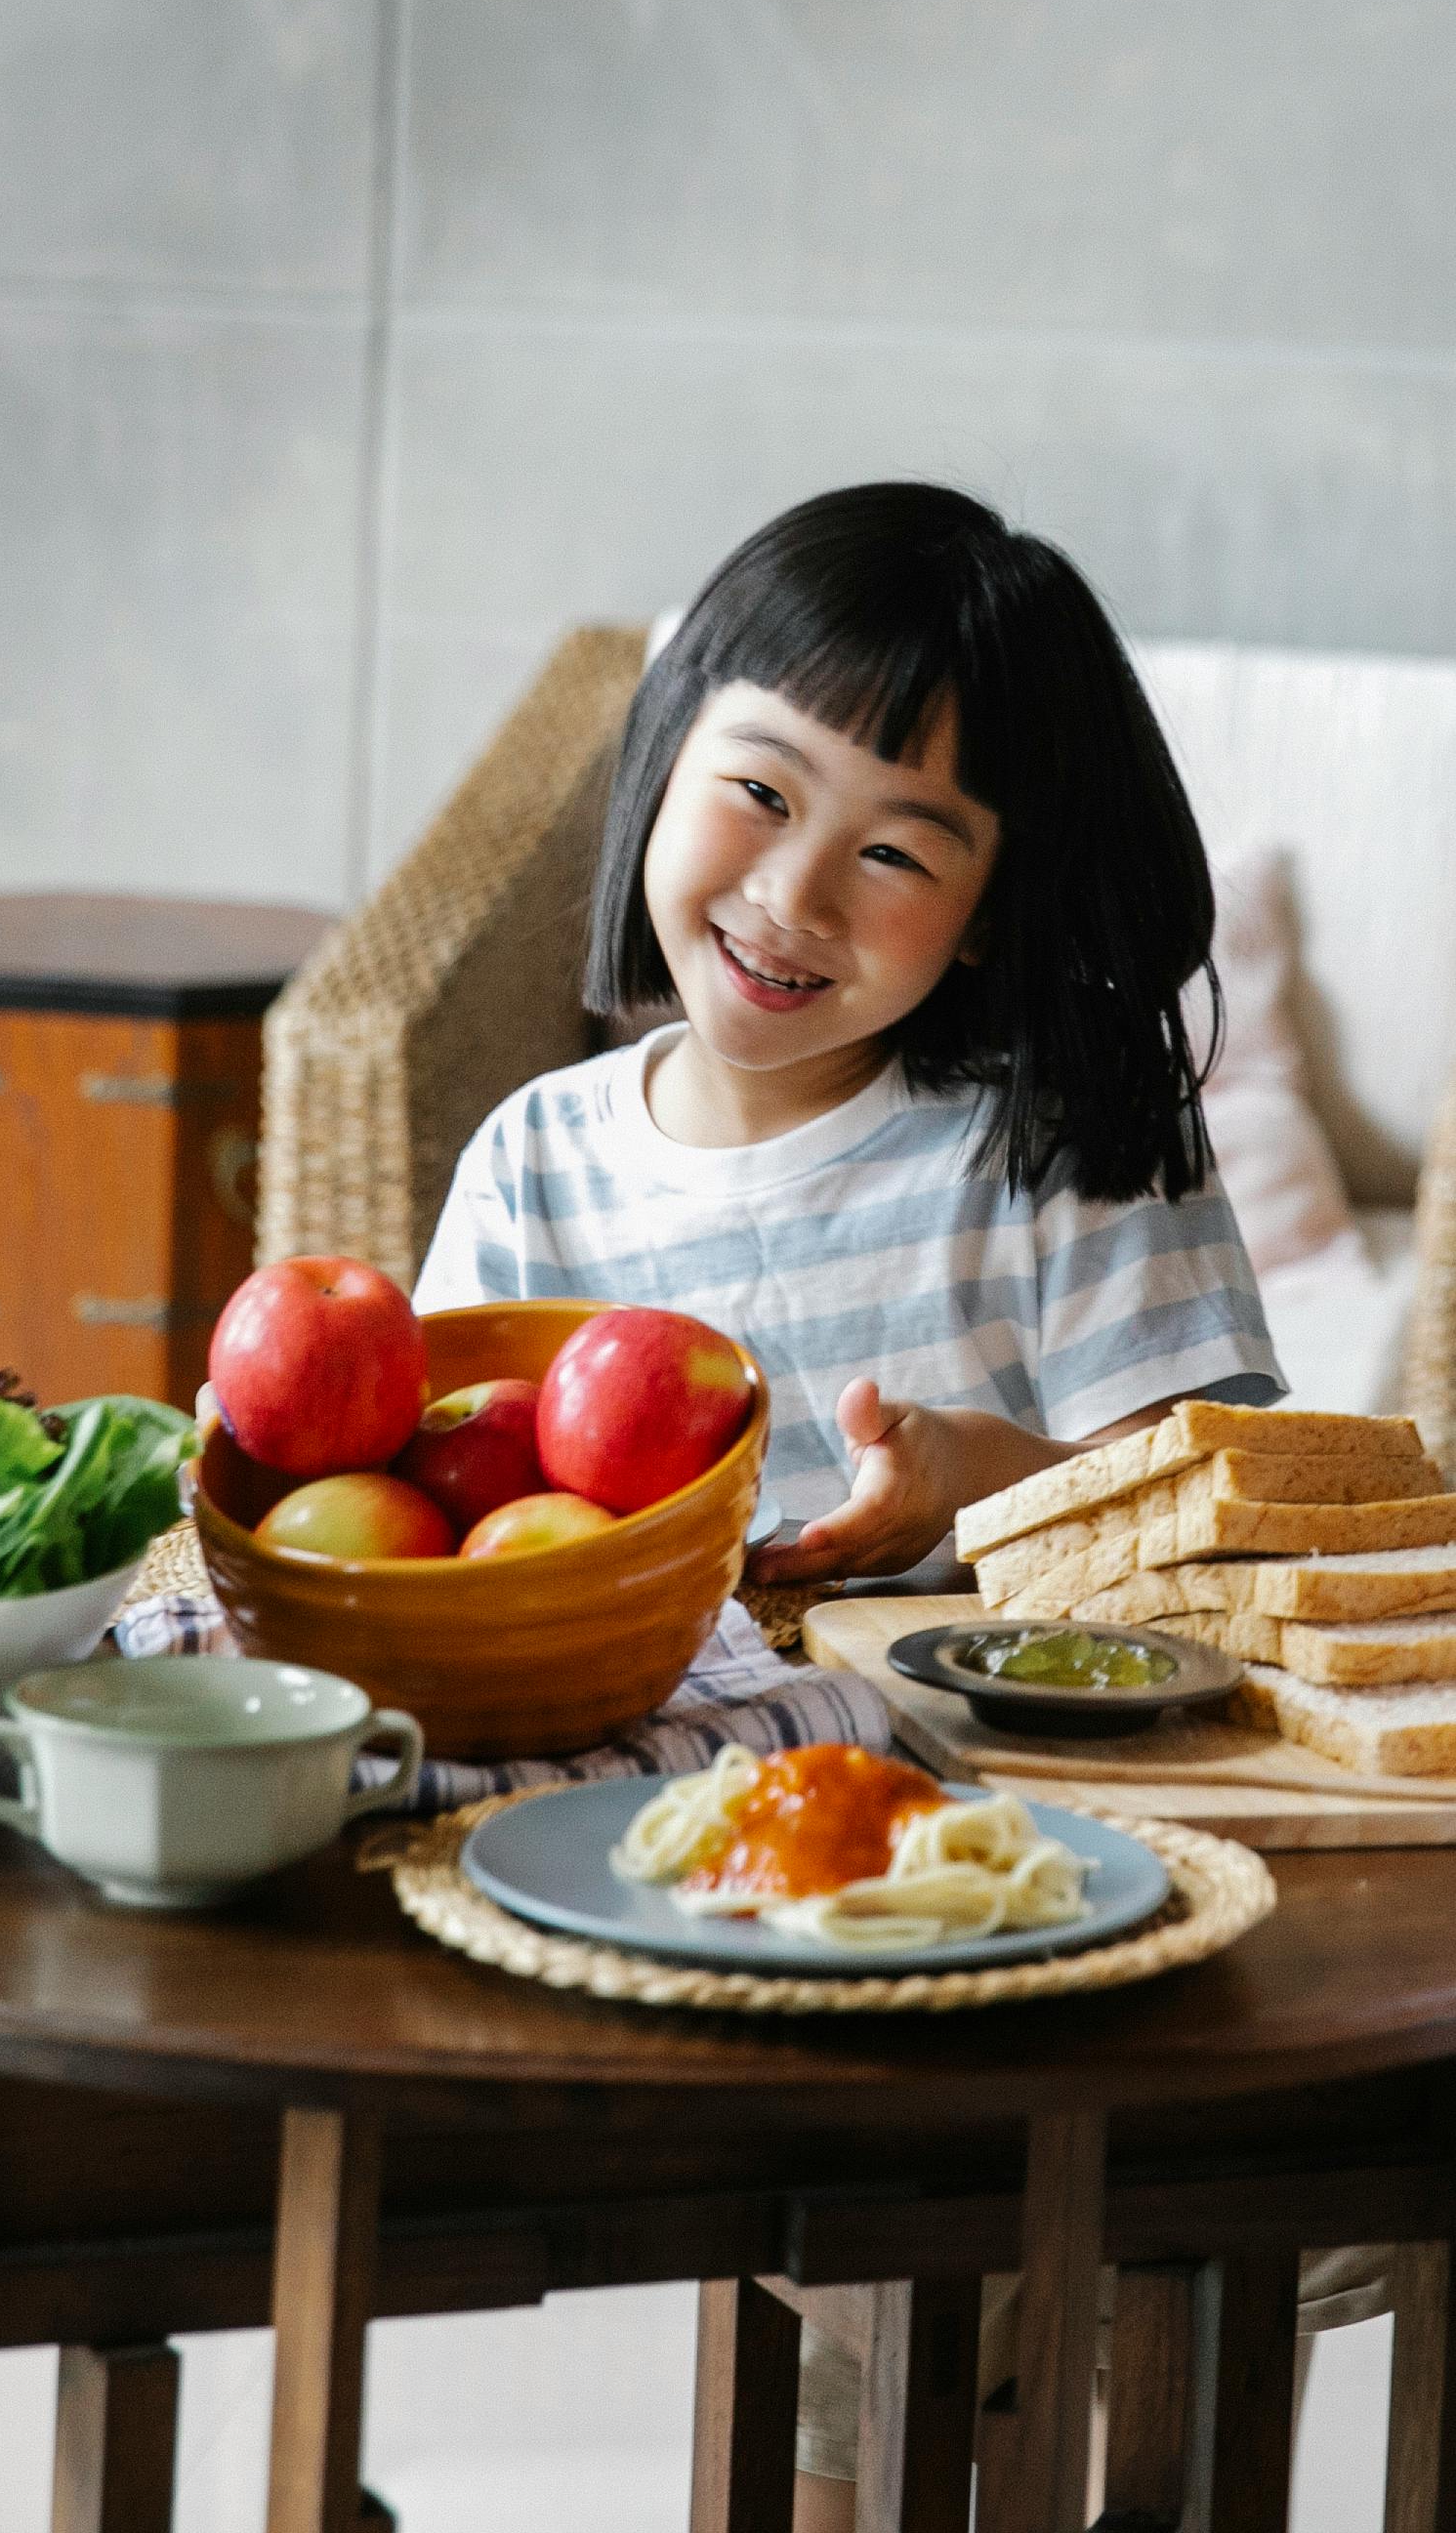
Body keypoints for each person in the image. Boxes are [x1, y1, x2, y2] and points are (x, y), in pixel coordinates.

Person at [413, 480, 1379, 2524]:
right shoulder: (537, 1163)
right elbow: (457, 1534)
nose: (791, 897)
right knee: (845, 2417)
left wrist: (975, 1479)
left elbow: (1218, 1523)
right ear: (667, 749)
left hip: (1063, 1895)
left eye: (896, 852)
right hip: (694, 1889)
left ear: (995, 900)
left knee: (1116, 2356)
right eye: (756, 794)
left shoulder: (1059, 1138)